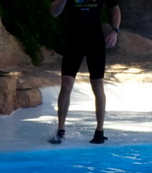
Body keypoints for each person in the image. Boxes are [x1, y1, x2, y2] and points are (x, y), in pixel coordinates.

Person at [49, 0, 120, 145]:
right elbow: (54, 12)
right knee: (66, 84)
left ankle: (99, 131)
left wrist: (115, 30)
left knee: (97, 84)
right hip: (74, 40)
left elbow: (115, 8)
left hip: (95, 40)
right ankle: (60, 130)